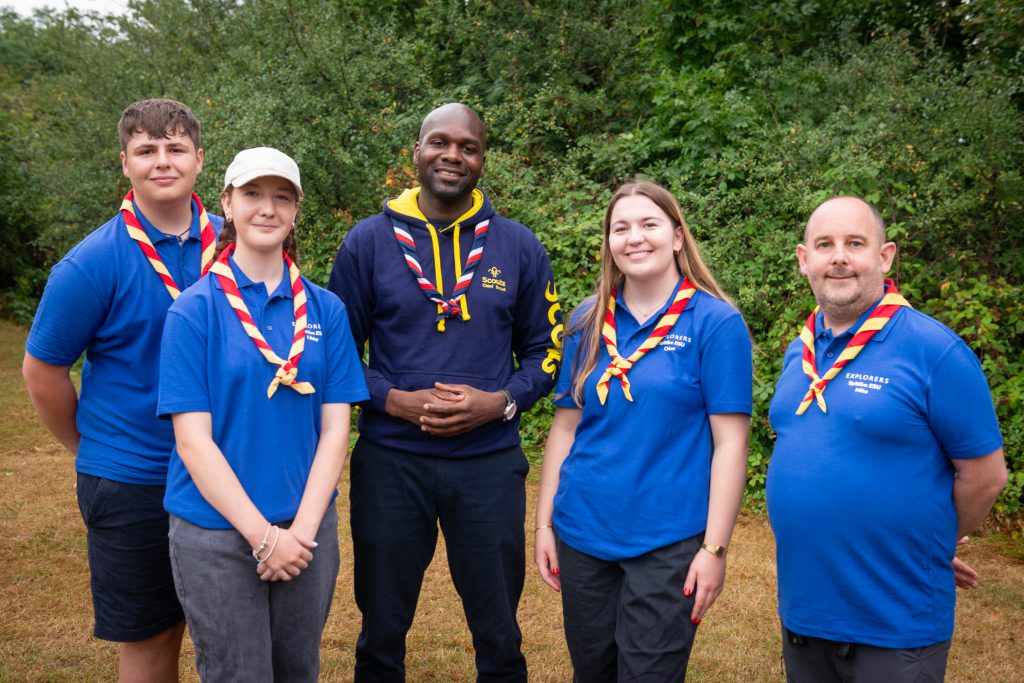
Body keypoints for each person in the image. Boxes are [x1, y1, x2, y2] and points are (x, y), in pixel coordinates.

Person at [328, 102, 562, 682]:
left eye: (468, 147)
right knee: (381, 629)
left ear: (482, 160)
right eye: (439, 142)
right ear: (416, 151)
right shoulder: (366, 243)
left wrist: (501, 402)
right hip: (390, 462)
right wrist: (389, 400)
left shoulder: (518, 246)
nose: (452, 155)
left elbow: (546, 353)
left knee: (499, 632)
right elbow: (335, 354)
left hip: (487, 465)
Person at [767, 196, 1008, 682]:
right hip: (805, 613)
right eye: (824, 244)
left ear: (885, 256)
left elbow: (985, 476)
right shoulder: (801, 351)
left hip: (894, 625)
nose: (839, 257)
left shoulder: (933, 350)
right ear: (803, 259)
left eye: (855, 243)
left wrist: (929, 540)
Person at [22, 99, 221, 682]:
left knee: (220, 627)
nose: (163, 161)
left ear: (199, 160)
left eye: (176, 148)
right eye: (147, 151)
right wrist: (92, 448)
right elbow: (43, 372)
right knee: (152, 636)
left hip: (225, 472)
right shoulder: (92, 263)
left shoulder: (238, 244)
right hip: (135, 477)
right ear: (126, 164)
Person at [157, 147, 368, 680]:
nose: (266, 208)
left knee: (299, 671)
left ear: (297, 210)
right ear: (227, 203)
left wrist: (300, 531)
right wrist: (262, 536)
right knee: (239, 674)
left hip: (306, 532)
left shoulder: (326, 310)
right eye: (252, 194)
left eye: (281, 197)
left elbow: (335, 428)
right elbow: (193, 441)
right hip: (216, 535)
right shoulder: (193, 310)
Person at [534, 180, 752, 681]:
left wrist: (714, 549)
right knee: (592, 672)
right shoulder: (587, 320)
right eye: (620, 227)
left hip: (667, 541)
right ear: (609, 243)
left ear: (677, 236)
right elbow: (565, 429)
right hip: (582, 532)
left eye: (649, 224)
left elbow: (730, 444)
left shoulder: (716, 324)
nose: (634, 237)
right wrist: (545, 524)